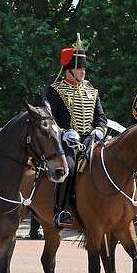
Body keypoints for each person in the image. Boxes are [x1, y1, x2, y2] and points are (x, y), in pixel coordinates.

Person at [41, 35, 107, 228]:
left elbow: (101, 117)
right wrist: (63, 132)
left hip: (92, 140)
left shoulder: (91, 91)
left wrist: (100, 130)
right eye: (79, 68)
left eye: (84, 68)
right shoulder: (54, 91)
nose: (83, 72)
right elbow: (48, 120)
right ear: (68, 69)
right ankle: (60, 210)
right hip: (66, 142)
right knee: (67, 167)